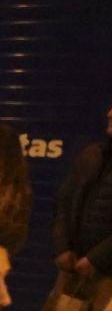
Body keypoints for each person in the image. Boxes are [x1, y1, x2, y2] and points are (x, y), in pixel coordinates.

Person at [55, 99, 112, 283]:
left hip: (106, 277)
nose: (109, 114)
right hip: (74, 270)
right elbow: (64, 202)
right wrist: (63, 248)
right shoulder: (94, 155)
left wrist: (96, 259)